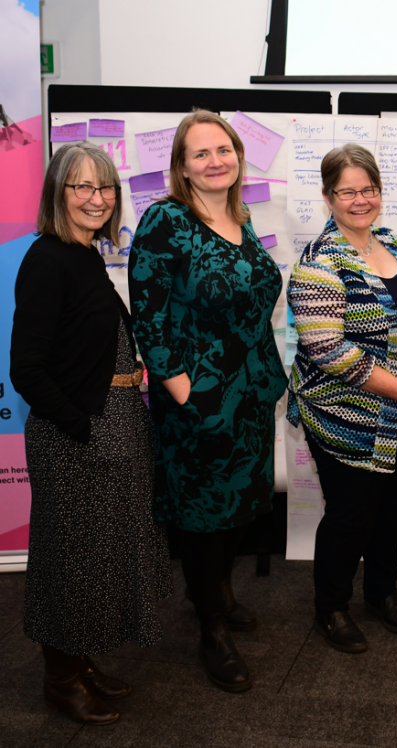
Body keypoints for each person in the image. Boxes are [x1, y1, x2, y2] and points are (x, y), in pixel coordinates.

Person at [10, 143, 171, 725]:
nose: (96, 198)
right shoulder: (47, 259)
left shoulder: (83, 256)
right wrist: (82, 426)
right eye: (82, 186)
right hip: (75, 437)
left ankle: (78, 662)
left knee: (98, 559)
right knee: (70, 560)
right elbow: (26, 369)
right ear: (58, 192)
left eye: (105, 187)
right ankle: (60, 680)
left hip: (111, 428)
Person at [128, 110, 287, 693]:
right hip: (199, 401)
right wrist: (182, 390)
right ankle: (211, 631)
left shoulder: (242, 219)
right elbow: (147, 314)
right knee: (202, 515)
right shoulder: (166, 221)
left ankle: (214, 591)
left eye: (224, 150)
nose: (216, 161)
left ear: (239, 157)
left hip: (251, 396)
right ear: (182, 166)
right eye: (201, 153)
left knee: (242, 507)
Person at [286, 144, 397, 653]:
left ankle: (381, 592)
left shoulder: (394, 243)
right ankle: (331, 608)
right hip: (347, 418)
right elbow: (328, 349)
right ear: (328, 196)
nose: (360, 200)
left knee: (392, 507)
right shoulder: (319, 261)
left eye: (368, 189)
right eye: (347, 192)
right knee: (350, 517)